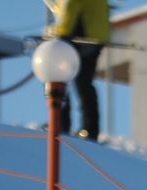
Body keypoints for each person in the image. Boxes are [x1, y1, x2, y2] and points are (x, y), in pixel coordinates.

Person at [50, 0, 110, 141]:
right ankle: (90, 129)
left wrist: (59, 33)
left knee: (59, 77)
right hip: (95, 35)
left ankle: (61, 123)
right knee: (84, 82)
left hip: (82, 35)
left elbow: (69, 9)